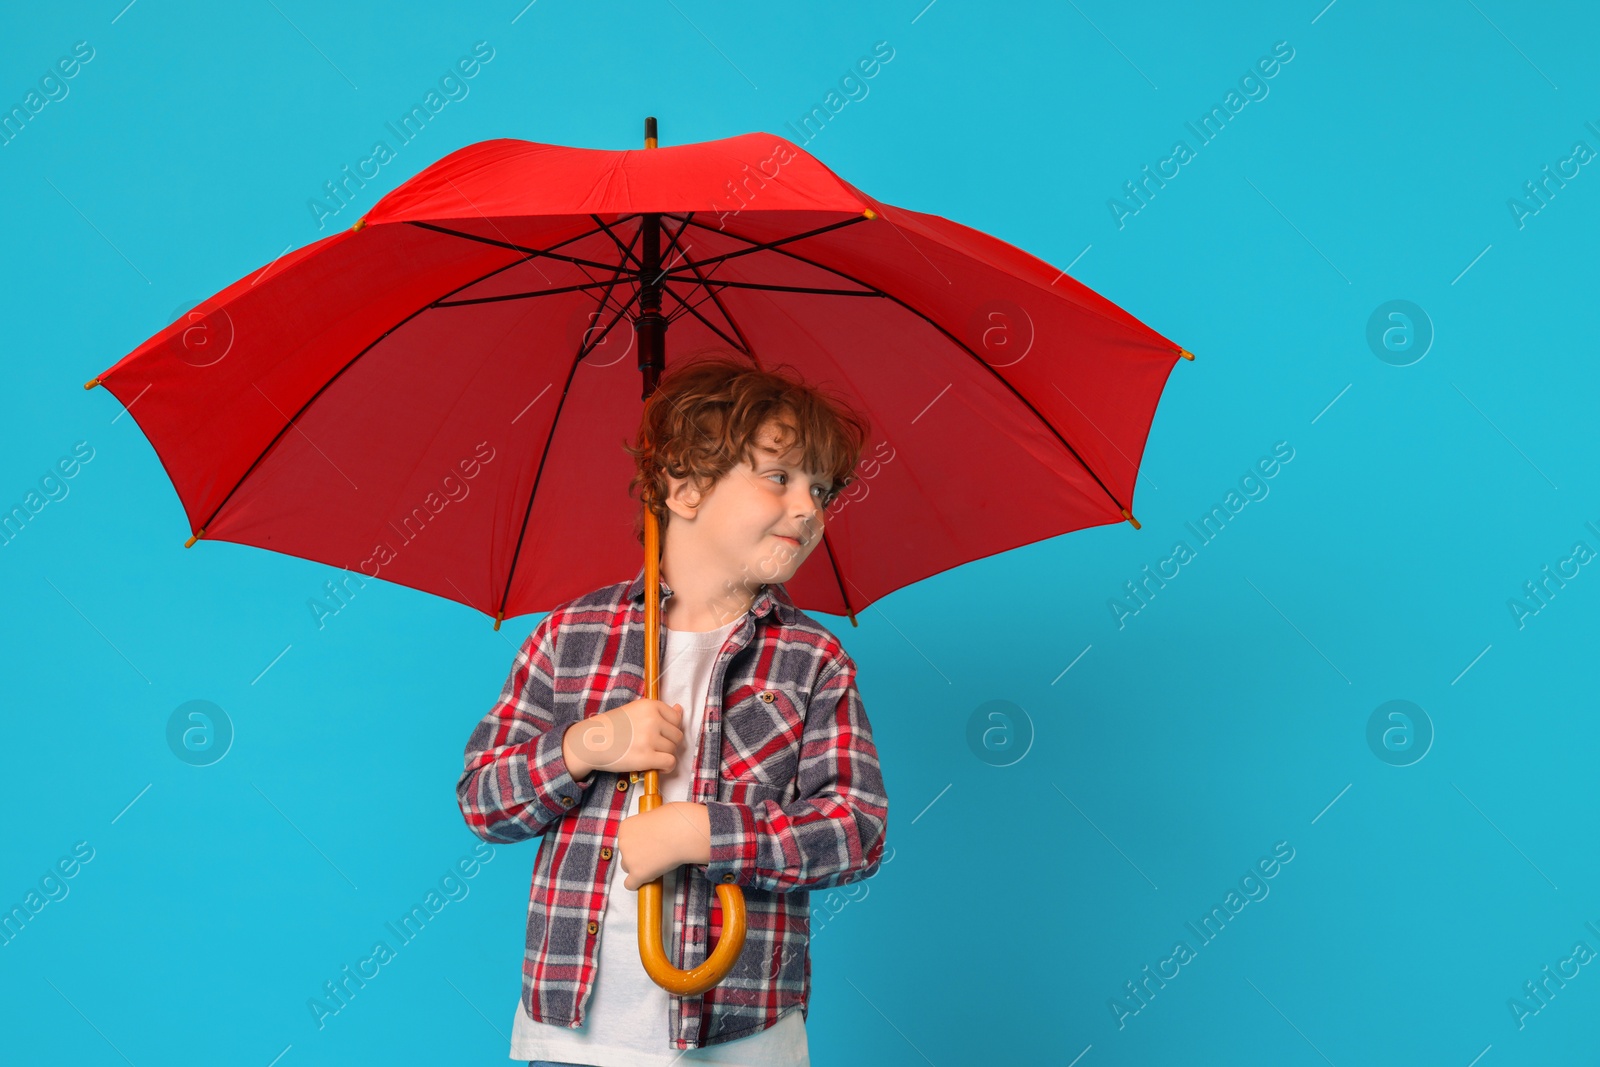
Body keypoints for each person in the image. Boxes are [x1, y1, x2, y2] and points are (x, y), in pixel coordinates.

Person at [455, 353, 891, 1067]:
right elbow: (482, 800)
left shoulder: (813, 660)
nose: (810, 508)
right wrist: (583, 744)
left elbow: (857, 828)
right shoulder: (571, 636)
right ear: (682, 487)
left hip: (743, 1032)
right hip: (577, 1037)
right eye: (780, 477)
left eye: (822, 487)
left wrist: (707, 831)